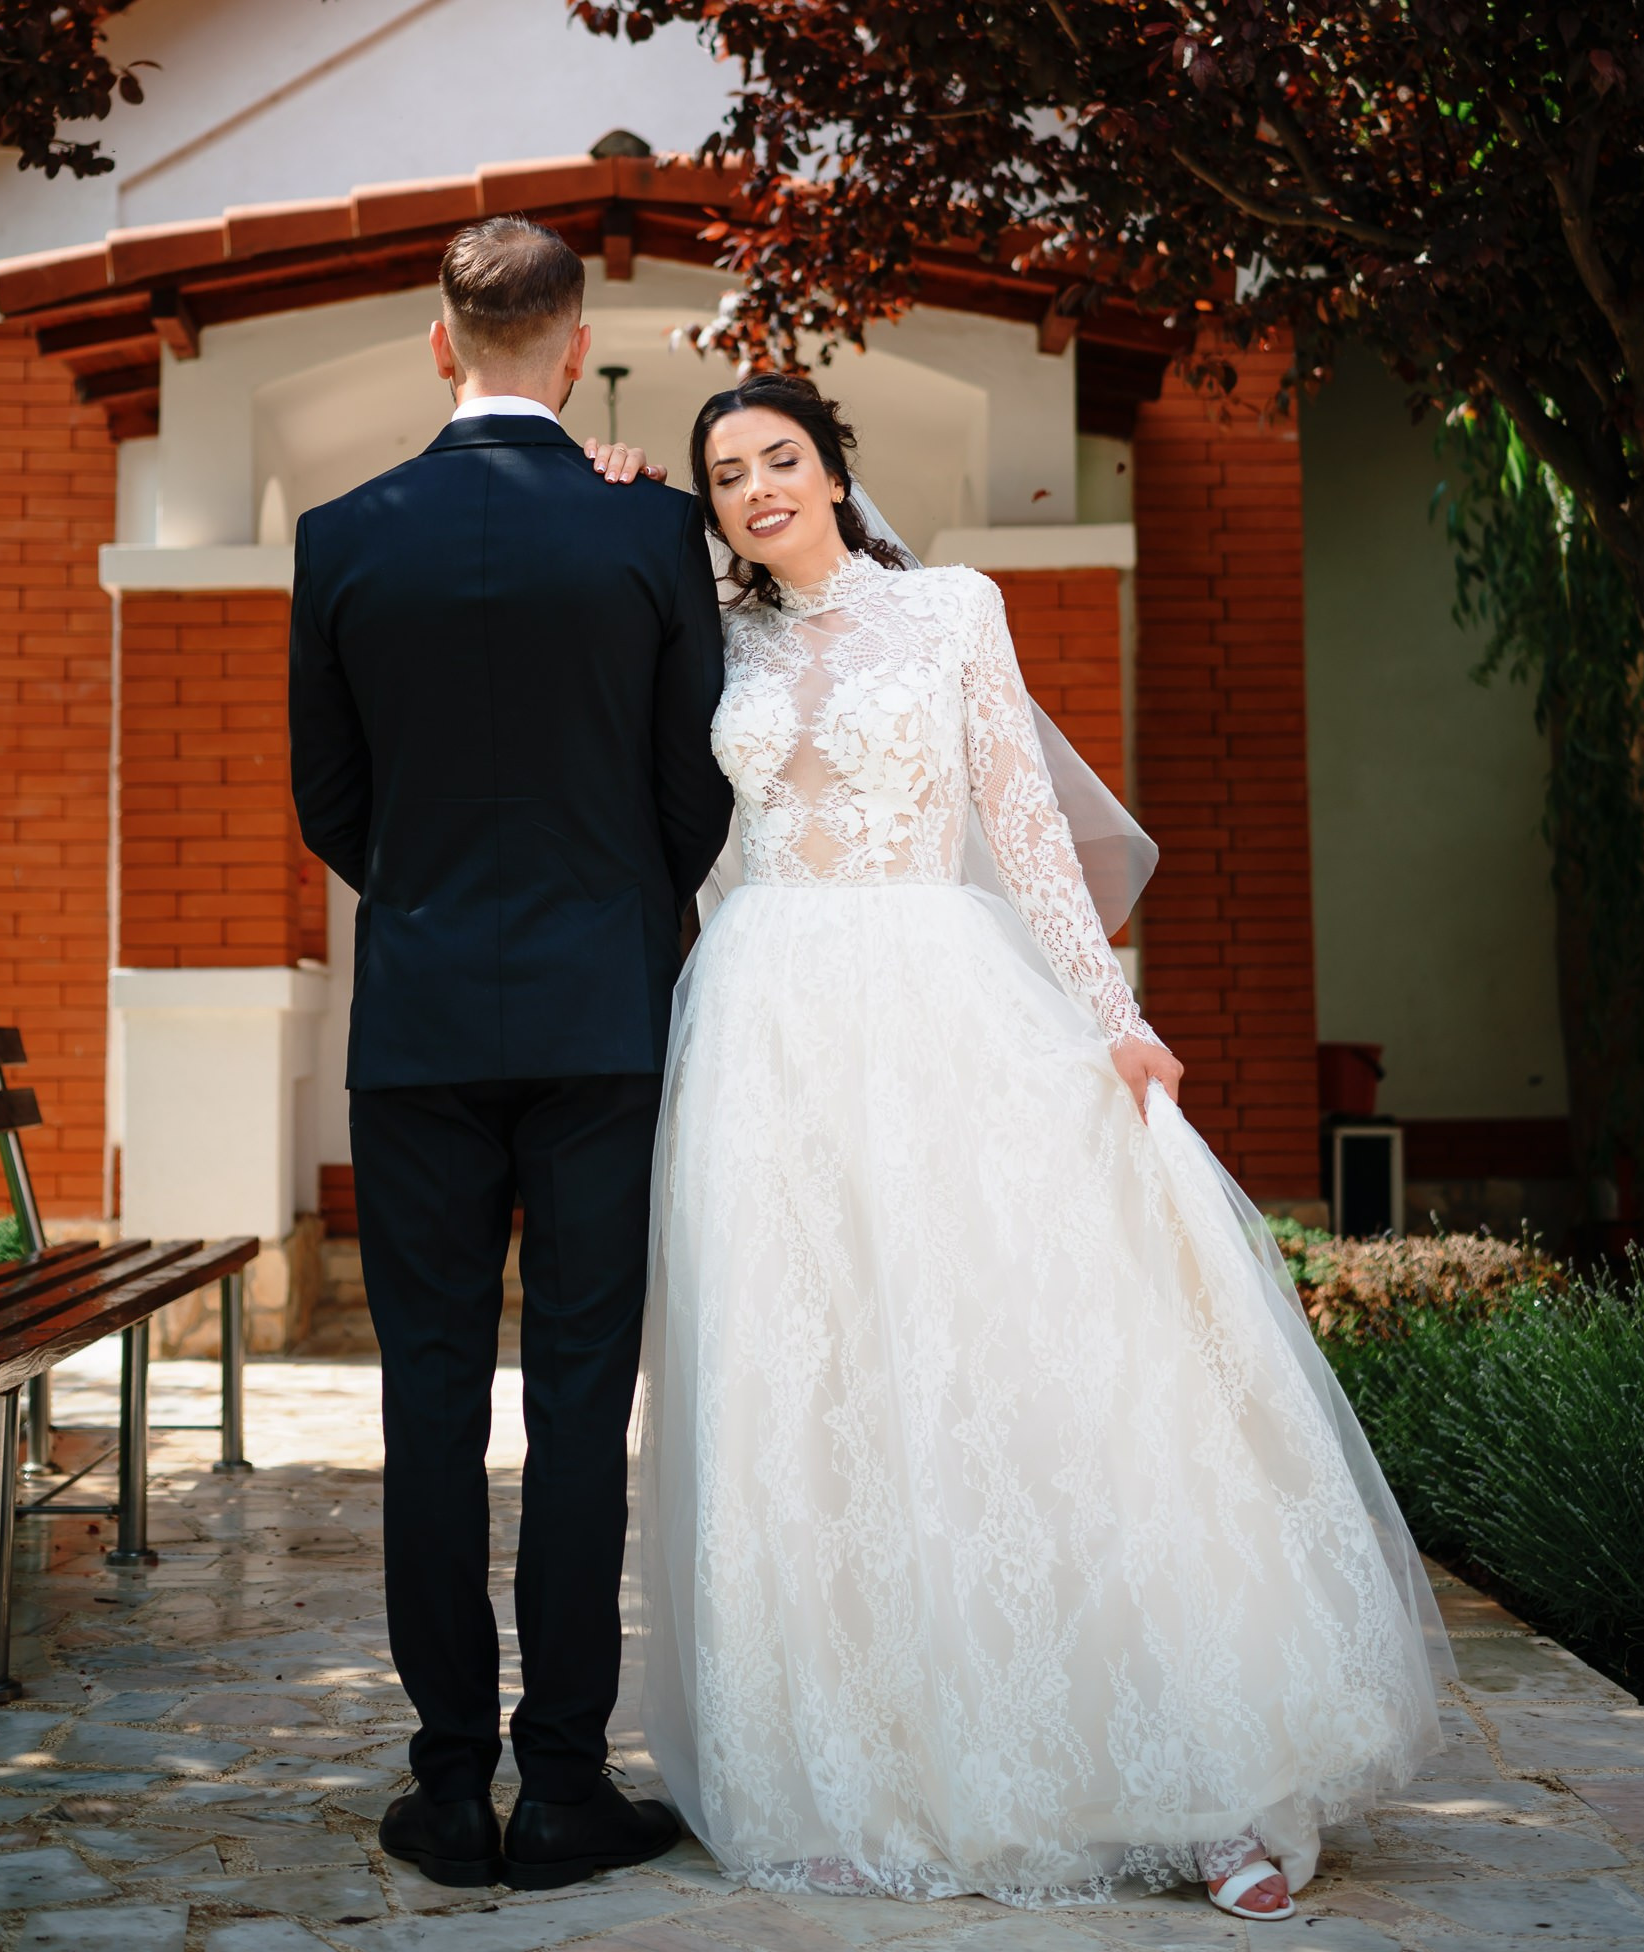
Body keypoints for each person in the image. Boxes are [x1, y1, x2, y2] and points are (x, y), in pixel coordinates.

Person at [641, 373, 1446, 1924]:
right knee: (815, 1400)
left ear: (832, 465)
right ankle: (861, 1771)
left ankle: (1199, 1780)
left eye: (780, 459)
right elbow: (708, 846)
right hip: (767, 1031)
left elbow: (1022, 824)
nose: (755, 490)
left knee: (1036, 1371)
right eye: (725, 472)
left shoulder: (951, 609)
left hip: (939, 1003)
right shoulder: (715, 641)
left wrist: (1110, 1016)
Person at [288, 216, 733, 1893]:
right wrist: (618, 903)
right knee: (577, 1393)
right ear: (573, 347)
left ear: (437, 342)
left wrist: (429, 905)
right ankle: (561, 1787)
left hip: (415, 1023)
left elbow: (329, 797)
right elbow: (699, 776)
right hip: (603, 1011)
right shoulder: (648, 533)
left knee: (424, 1398)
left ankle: (444, 1786)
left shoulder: (343, 536)